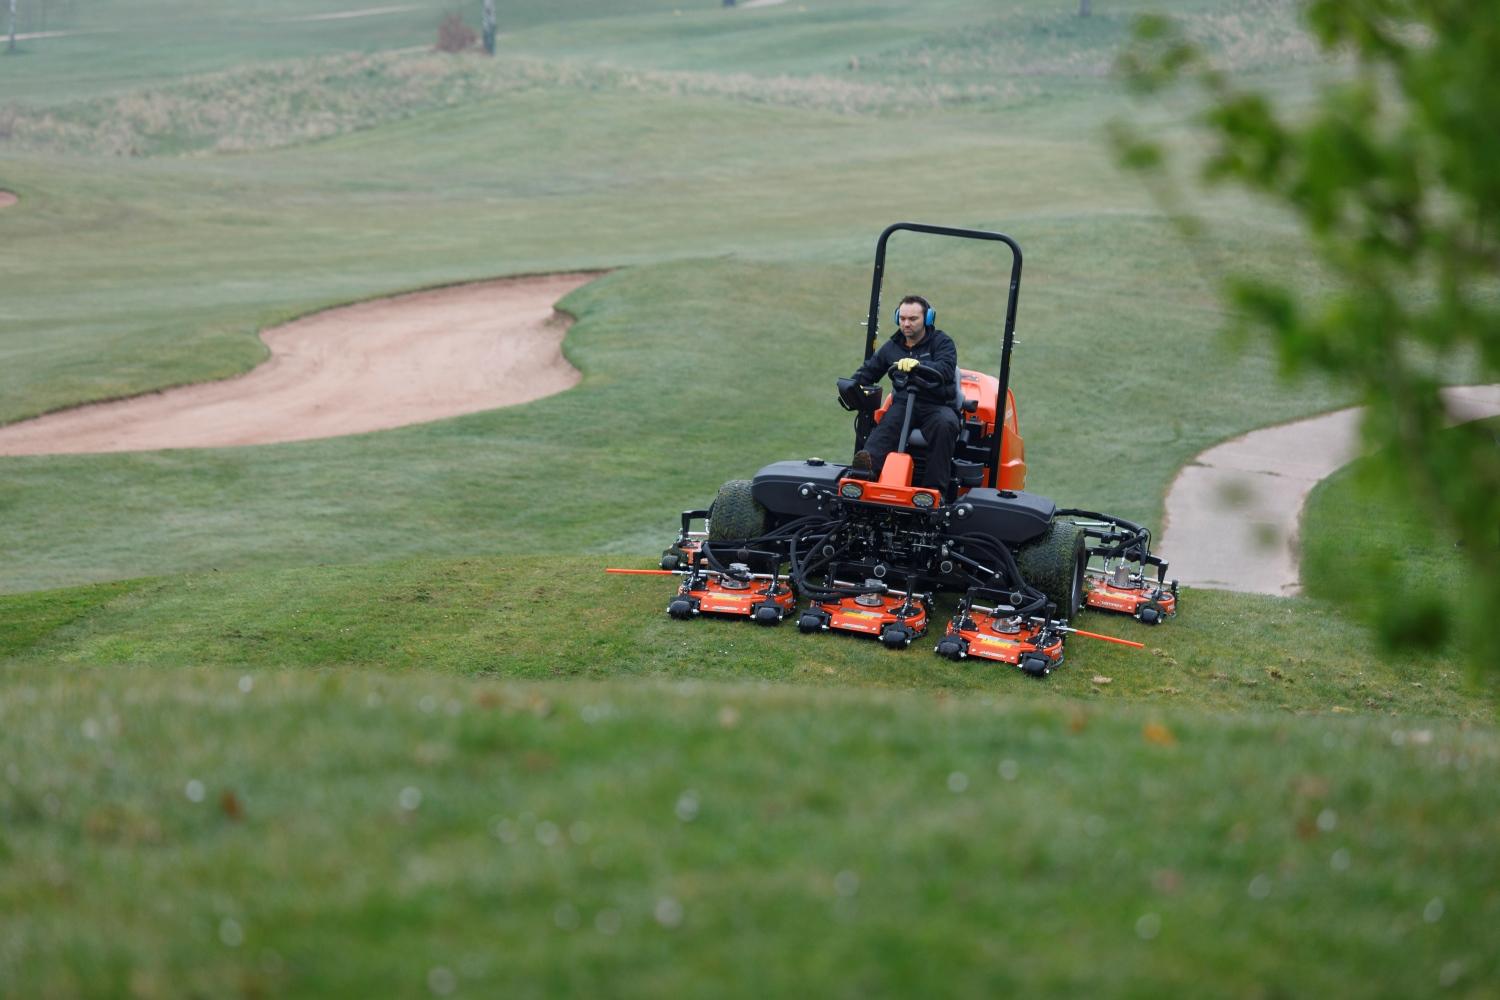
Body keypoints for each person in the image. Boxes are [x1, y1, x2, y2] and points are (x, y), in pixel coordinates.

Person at [848, 294, 961, 493]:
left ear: (927, 319)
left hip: (936, 406)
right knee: (884, 429)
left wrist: (919, 364)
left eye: (912, 319)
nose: (906, 324)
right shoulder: (892, 347)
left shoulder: (942, 343)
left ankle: (933, 492)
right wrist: (851, 386)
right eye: (902, 318)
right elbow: (869, 371)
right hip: (903, 404)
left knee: (945, 425)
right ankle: (864, 476)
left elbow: (946, 369)